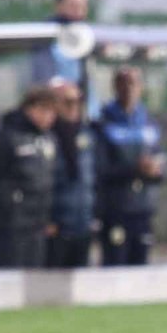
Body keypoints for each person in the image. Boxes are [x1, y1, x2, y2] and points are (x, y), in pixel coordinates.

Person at [0, 86, 59, 268]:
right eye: (44, 109)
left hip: (37, 225)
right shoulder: (8, 137)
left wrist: (50, 217)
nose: (48, 116)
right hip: (10, 224)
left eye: (52, 111)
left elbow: (49, 182)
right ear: (30, 108)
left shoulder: (49, 140)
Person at [96, 66, 164, 266]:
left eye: (133, 83)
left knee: (140, 266)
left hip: (143, 209)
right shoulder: (104, 123)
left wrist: (156, 170)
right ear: (115, 87)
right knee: (115, 265)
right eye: (123, 83)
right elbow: (100, 169)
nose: (129, 89)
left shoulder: (149, 123)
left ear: (141, 87)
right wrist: (135, 170)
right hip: (116, 209)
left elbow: (161, 161)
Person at [46, 80, 97, 268]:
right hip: (55, 227)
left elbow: (93, 178)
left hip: (82, 224)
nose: (73, 107)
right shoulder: (46, 137)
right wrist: (47, 220)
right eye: (67, 101)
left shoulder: (87, 135)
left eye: (77, 101)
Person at [31, 0, 96, 116]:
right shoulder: (46, 34)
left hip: (84, 108)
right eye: (73, 5)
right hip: (56, 107)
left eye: (82, 5)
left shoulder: (86, 33)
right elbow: (44, 73)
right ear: (58, 6)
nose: (79, 9)